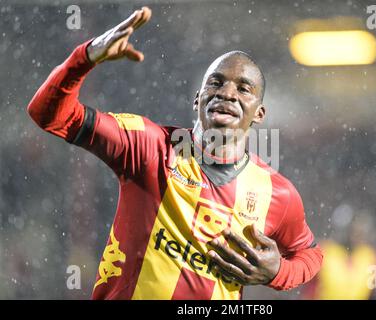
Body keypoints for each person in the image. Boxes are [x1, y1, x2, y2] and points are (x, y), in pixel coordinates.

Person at [27, 6, 323, 300]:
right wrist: (85, 57)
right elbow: (49, 115)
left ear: (259, 113)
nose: (228, 93)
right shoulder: (148, 147)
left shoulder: (277, 194)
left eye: (244, 88)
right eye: (216, 82)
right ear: (198, 99)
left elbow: (310, 255)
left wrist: (278, 274)